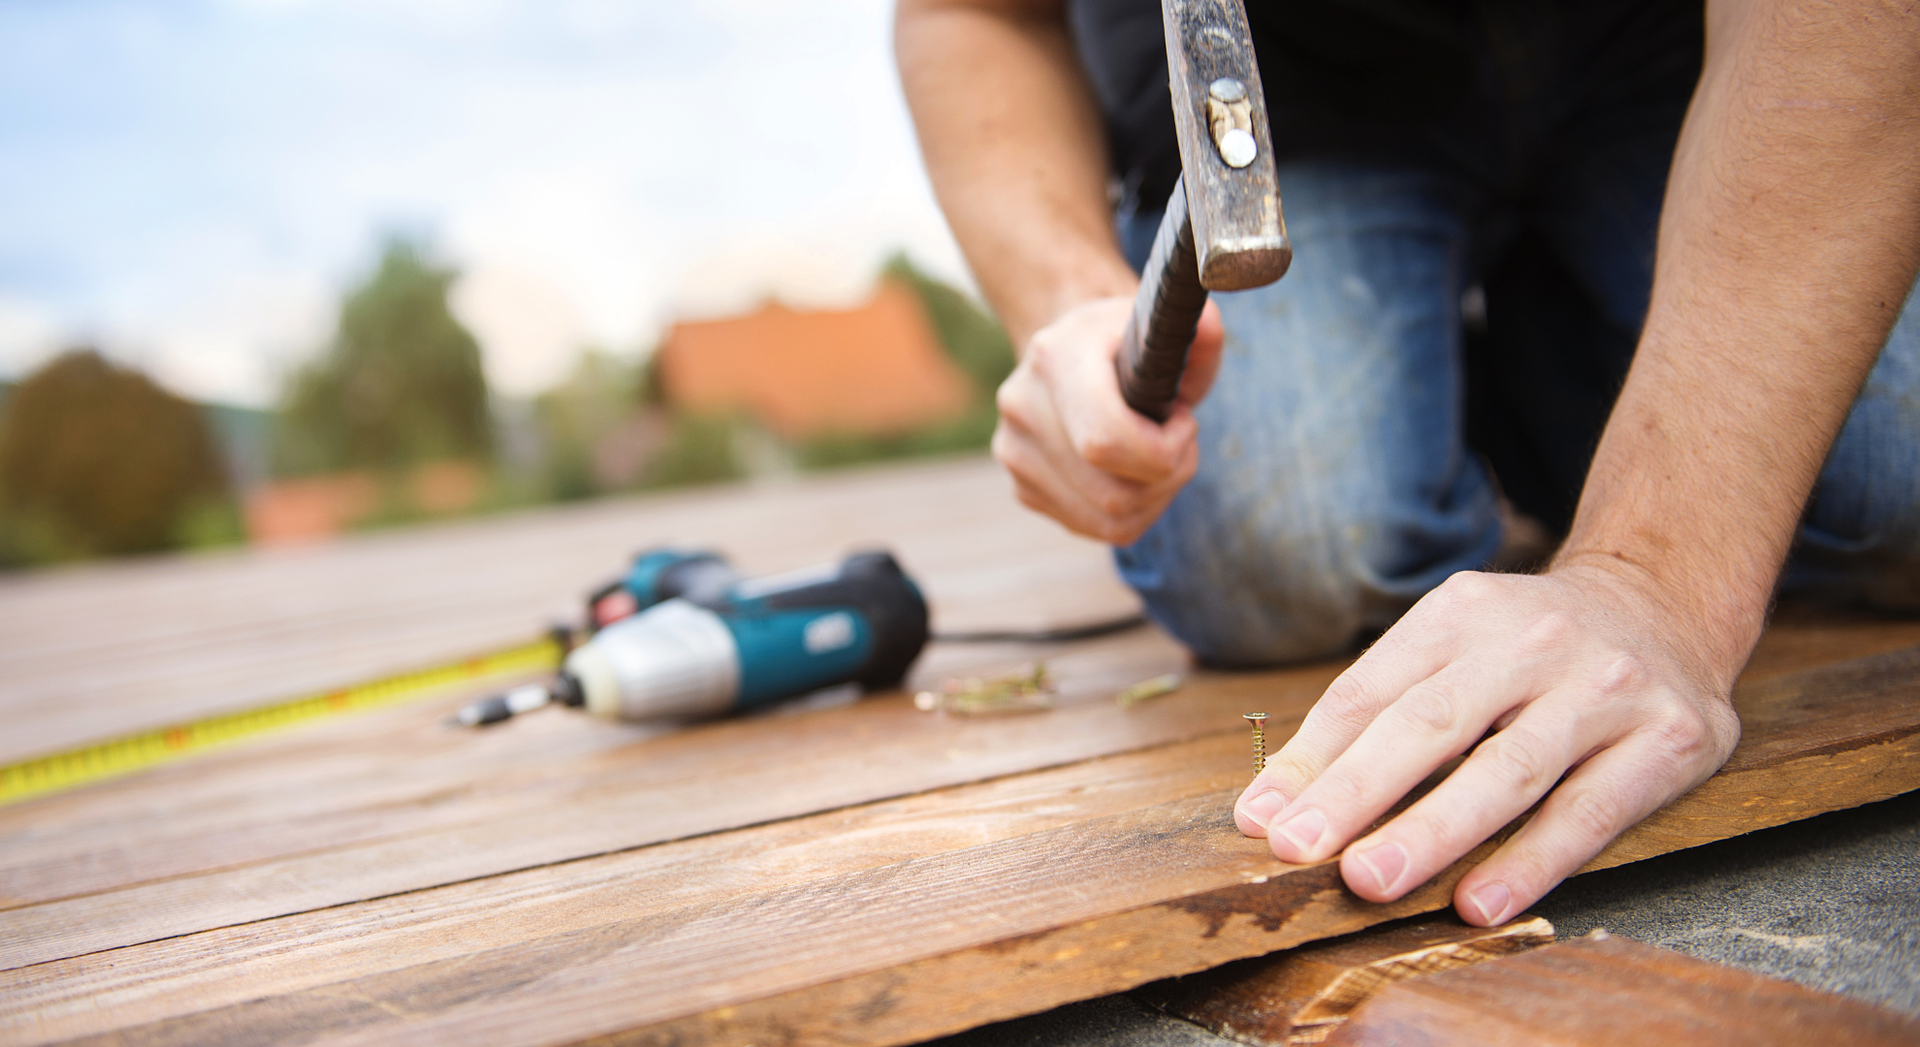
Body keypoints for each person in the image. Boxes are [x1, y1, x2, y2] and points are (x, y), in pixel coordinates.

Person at [894, 0, 1920, 925]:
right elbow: (972, 13)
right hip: (1312, 90)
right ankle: (1499, 378)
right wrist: (1069, 299)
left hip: (1677, 51)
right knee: (1287, 550)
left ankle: (1541, 356)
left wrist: (1660, 575)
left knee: (1900, 480)